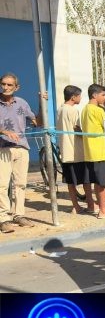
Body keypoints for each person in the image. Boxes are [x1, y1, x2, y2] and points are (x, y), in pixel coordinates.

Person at [0, 73, 39, 233]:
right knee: (2, 185)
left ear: (17, 87)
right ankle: (4, 218)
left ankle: (19, 215)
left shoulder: (22, 103)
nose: (6, 87)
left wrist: (42, 103)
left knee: (20, 184)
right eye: (3, 84)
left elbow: (37, 121)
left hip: (22, 148)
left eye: (10, 85)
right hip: (3, 148)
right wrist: (4, 131)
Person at [57, 85, 93, 215]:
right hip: (76, 151)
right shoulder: (73, 111)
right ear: (73, 97)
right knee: (86, 180)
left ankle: (75, 206)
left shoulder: (60, 109)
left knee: (70, 182)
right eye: (79, 96)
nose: (80, 98)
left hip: (66, 151)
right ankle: (90, 204)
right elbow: (77, 130)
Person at [80, 84, 105, 220]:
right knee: (103, 183)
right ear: (94, 95)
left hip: (89, 152)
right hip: (100, 151)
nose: (104, 98)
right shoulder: (98, 110)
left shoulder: (84, 109)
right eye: (103, 95)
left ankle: (99, 207)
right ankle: (103, 210)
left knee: (96, 182)